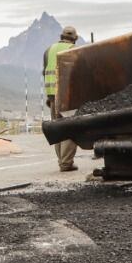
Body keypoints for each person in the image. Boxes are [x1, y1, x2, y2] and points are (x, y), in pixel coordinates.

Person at [43, 26, 79, 172]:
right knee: (71, 129)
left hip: (53, 96)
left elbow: (44, 72)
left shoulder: (48, 50)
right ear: (75, 38)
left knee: (58, 128)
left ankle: (61, 161)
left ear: (61, 36)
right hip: (68, 97)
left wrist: (49, 96)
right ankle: (66, 163)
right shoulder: (75, 50)